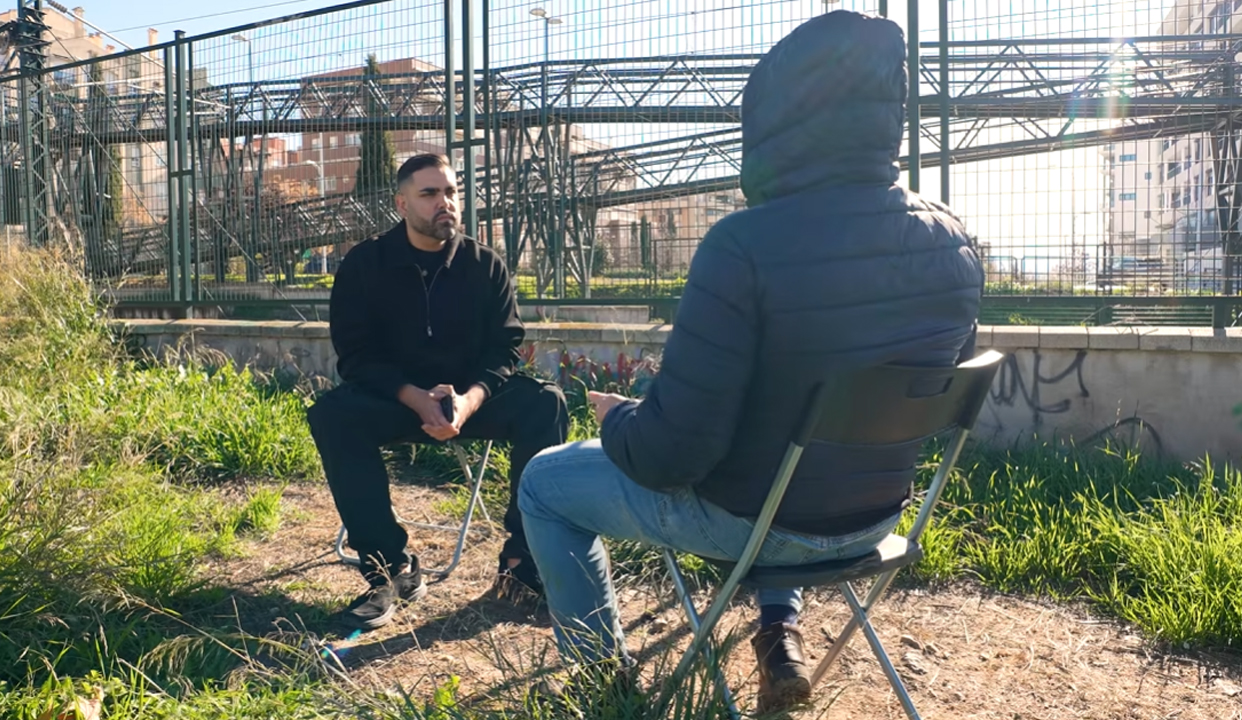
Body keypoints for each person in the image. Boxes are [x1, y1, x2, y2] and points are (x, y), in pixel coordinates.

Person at [516, 10, 985, 712]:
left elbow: (674, 456)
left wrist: (620, 422)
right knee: (786, 447)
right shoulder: (953, 240)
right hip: (875, 518)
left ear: (774, 120)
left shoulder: (743, 246)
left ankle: (600, 684)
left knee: (544, 483)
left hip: (756, 521)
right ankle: (778, 631)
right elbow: (931, 380)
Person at [307, 153, 568, 630]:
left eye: (450, 192)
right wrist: (412, 395)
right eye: (429, 194)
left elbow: (506, 349)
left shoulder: (485, 265)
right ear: (401, 204)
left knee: (545, 403)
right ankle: (390, 569)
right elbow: (356, 355)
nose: (444, 203)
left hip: (471, 402)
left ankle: (521, 567)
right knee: (332, 415)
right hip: (396, 400)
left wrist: (469, 400)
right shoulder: (366, 264)